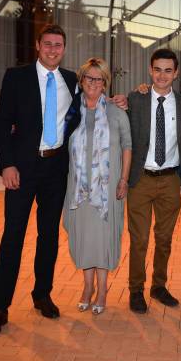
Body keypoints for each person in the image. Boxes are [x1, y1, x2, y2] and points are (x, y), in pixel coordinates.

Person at [0, 24, 78, 339]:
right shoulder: (17, 77)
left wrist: (117, 101)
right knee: (13, 237)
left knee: (49, 236)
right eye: (47, 44)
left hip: (55, 169)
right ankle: (0, 306)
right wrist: (7, 164)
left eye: (58, 45)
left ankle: (42, 294)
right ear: (38, 45)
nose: (53, 49)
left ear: (64, 48)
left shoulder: (71, 80)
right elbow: (1, 123)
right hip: (22, 170)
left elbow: (86, 110)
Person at [63, 58, 131, 315]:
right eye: (88, 78)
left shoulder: (116, 112)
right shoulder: (70, 113)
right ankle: (87, 287)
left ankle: (102, 290)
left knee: (103, 239)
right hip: (78, 189)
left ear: (105, 83)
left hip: (108, 188)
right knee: (84, 238)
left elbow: (128, 146)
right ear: (81, 81)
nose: (93, 83)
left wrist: (123, 179)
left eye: (99, 78)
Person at [126, 48, 181, 313]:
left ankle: (158, 286)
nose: (162, 75)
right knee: (139, 239)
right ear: (150, 71)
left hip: (171, 179)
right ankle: (136, 290)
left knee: (164, 239)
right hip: (141, 178)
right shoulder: (136, 98)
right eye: (157, 69)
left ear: (176, 73)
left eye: (168, 70)